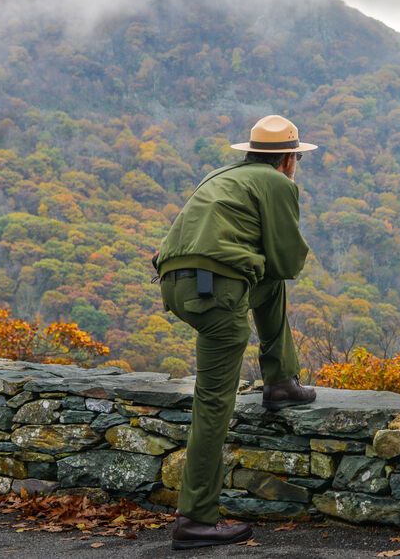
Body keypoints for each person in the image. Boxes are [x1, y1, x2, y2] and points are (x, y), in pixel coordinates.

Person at [155, 114, 319, 549]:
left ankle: (280, 379)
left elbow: (269, 275)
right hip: (216, 289)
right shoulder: (278, 183)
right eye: (296, 158)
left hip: (177, 282)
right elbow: (287, 261)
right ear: (287, 159)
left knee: (266, 286)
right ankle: (196, 519)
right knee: (212, 402)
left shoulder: (222, 175)